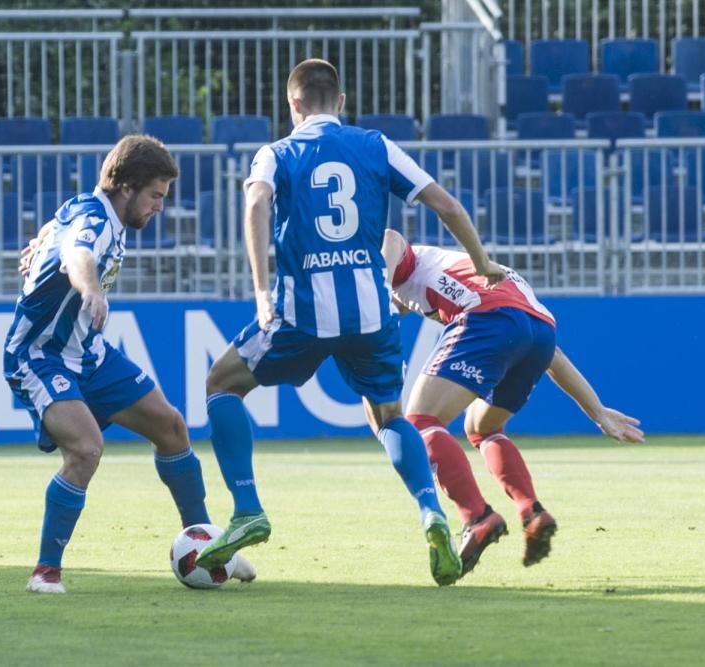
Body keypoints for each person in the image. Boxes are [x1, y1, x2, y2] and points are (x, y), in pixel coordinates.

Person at [194, 58, 505, 586]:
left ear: (292, 104)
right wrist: (480, 263)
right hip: (371, 313)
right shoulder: (376, 146)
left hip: (302, 313)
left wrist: (261, 289)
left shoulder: (277, 153)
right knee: (388, 417)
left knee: (221, 385)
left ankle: (247, 508)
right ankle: (431, 512)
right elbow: (446, 204)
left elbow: (255, 204)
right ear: (340, 103)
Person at [7, 135, 254, 593]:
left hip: (89, 354)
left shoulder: (85, 208)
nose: (160, 206)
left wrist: (39, 242)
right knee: (85, 449)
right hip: (40, 355)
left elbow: (59, 232)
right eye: (155, 195)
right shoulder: (97, 223)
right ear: (126, 187)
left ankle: (208, 547)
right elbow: (78, 254)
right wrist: (90, 289)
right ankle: (45, 572)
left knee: (171, 427)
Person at [382, 229, 644, 577]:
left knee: (420, 422)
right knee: (482, 427)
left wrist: (380, 292)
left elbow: (390, 238)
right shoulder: (449, 270)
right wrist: (597, 411)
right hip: (539, 331)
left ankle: (476, 516)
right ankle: (531, 512)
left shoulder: (391, 255)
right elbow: (555, 355)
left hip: (487, 318)